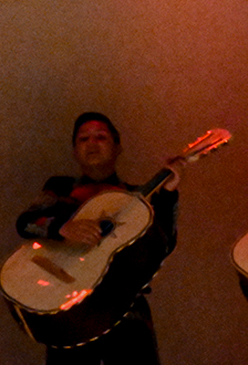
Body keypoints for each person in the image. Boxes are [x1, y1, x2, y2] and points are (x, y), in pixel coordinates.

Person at [14, 112, 180, 364]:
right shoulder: (60, 188)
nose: (92, 143)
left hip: (125, 312)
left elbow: (163, 244)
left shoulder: (136, 197)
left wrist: (167, 195)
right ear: (74, 150)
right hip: (69, 311)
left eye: (101, 137)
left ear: (117, 147)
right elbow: (26, 222)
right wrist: (62, 228)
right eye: (83, 139)